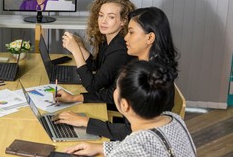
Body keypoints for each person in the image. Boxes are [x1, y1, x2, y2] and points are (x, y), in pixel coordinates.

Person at [56, 7, 179, 141]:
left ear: (150, 37)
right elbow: (112, 93)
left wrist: (85, 122)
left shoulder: (148, 77)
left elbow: (129, 130)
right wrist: (76, 98)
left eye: (131, 32)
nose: (125, 38)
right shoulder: (145, 64)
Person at [66, 60, 197, 157]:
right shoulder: (174, 120)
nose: (114, 91)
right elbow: (150, 149)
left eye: (116, 88)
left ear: (124, 105)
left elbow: (133, 155)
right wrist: (102, 148)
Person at [55, 0, 136, 106]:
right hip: (105, 96)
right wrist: (80, 46)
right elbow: (95, 66)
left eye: (111, 17)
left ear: (123, 21)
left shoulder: (120, 49)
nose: (103, 21)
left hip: (116, 105)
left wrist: (75, 51)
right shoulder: (108, 38)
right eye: (101, 15)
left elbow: (92, 86)